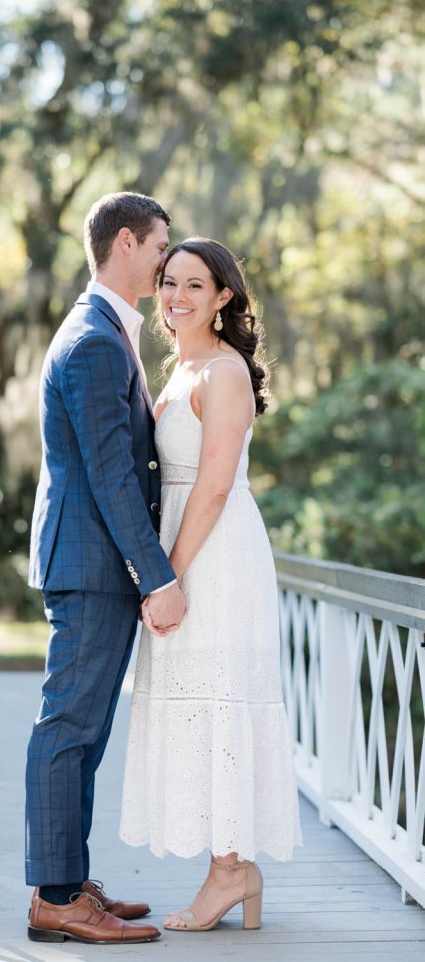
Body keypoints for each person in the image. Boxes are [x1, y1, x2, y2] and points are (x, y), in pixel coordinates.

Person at [120, 237, 302, 932]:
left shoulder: (222, 371)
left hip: (216, 553)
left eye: (195, 286)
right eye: (169, 282)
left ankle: (230, 870)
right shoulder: (180, 366)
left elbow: (218, 483)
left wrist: (170, 573)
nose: (176, 297)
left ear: (224, 296)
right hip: (185, 542)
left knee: (218, 699)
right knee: (191, 706)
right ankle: (231, 868)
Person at [25, 192, 187, 945]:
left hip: (94, 563)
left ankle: (69, 880)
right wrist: (155, 574)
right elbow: (111, 475)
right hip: (92, 565)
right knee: (68, 729)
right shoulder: (93, 339)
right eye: (160, 246)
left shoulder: (104, 332)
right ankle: (55, 897)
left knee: (82, 734)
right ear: (127, 242)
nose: (166, 261)